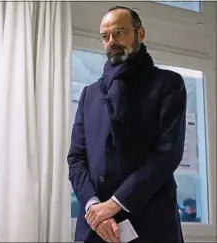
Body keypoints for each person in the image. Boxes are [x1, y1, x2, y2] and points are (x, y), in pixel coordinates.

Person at [67, 5, 186, 243]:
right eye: (105, 36)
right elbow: (76, 159)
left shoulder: (168, 84)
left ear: (140, 34)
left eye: (120, 32)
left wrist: (114, 205)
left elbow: (167, 154)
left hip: (151, 225)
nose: (112, 41)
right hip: (96, 227)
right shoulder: (90, 94)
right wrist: (95, 210)